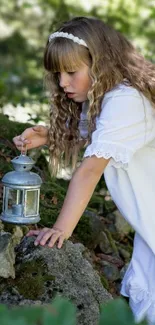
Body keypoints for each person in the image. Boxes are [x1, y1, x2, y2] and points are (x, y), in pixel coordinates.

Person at [13, 16, 155, 324]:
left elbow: (90, 170)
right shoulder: (112, 99)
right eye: (58, 74)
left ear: (100, 64)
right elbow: (94, 134)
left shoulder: (125, 100)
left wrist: (61, 230)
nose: (63, 82)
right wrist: (48, 135)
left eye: (71, 72)